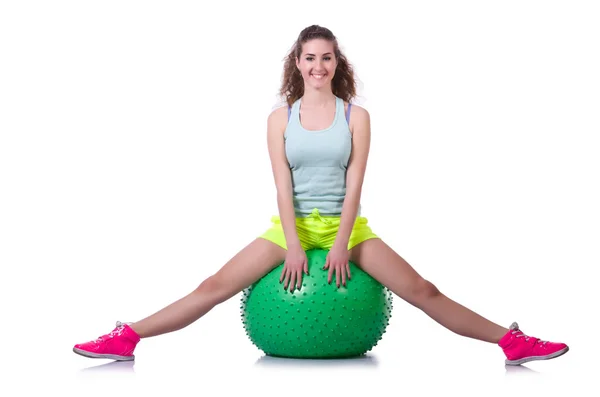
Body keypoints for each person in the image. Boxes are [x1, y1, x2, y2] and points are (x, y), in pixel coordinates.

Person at [73, 25, 569, 366]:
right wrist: (292, 243)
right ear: (297, 62)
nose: (318, 65)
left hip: (346, 227)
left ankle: (512, 342)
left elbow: (355, 183)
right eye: (309, 57)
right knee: (212, 286)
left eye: (326, 57)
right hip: (292, 226)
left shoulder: (357, 116)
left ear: (337, 62)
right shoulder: (278, 118)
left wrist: (339, 244)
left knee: (423, 291)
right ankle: (127, 336)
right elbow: (281, 184)